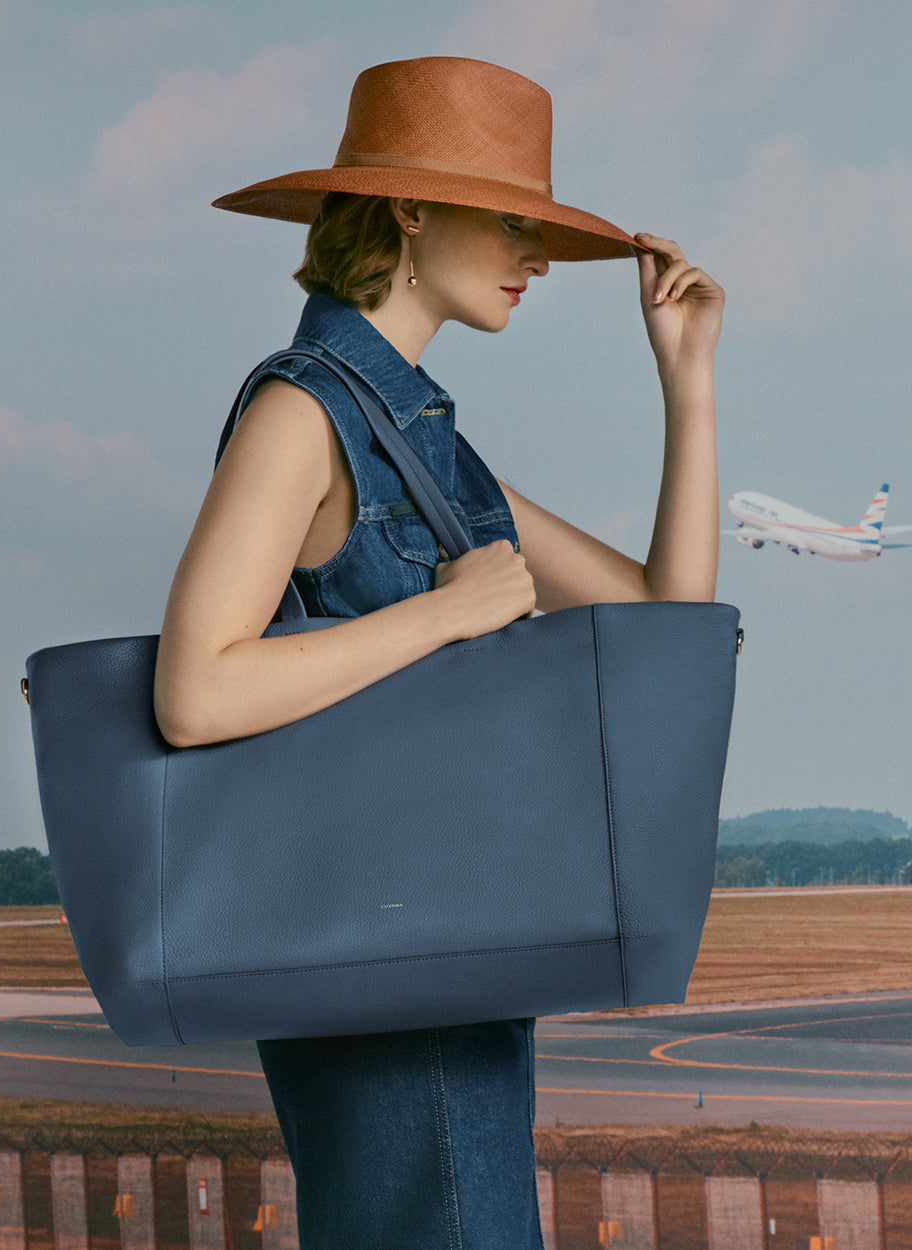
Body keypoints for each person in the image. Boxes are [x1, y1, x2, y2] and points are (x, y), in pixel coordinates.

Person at [154, 56, 724, 1250]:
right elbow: (195, 689)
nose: (533, 259)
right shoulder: (301, 414)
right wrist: (441, 613)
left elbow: (662, 618)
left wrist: (688, 387)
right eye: (512, 220)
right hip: (380, 953)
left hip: (442, 942)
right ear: (409, 208)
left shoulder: (426, 445)